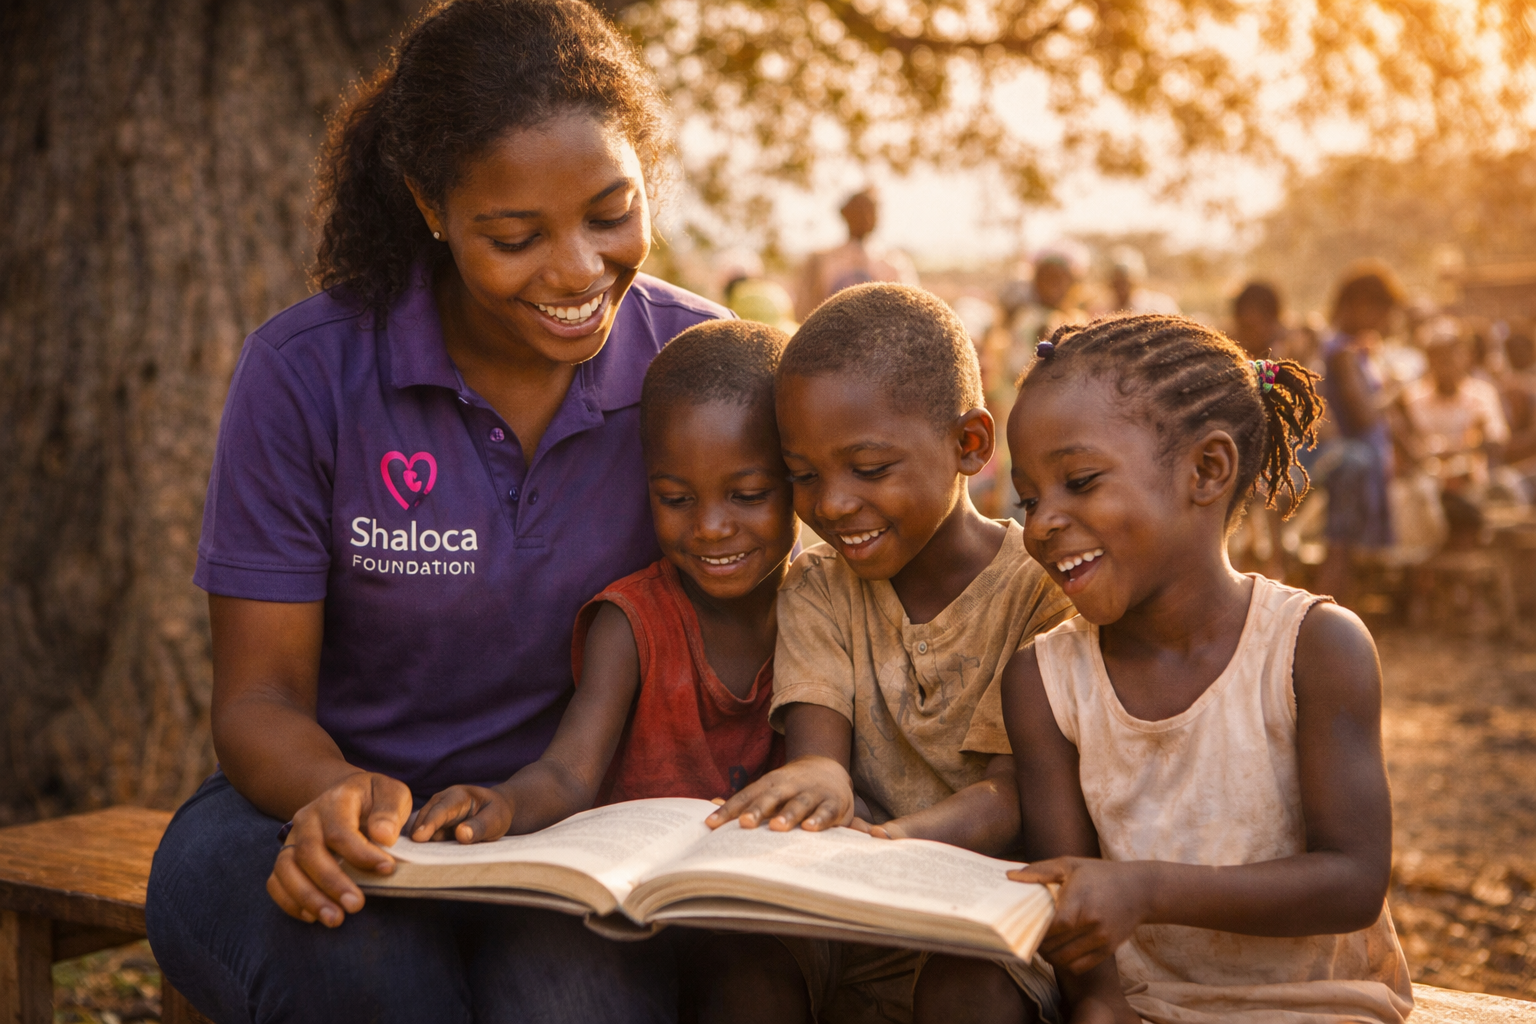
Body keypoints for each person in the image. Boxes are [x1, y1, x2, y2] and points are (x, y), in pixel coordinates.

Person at [144, 3, 729, 1021]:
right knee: (374, 973)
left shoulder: (701, 371)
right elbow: (257, 699)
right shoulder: (308, 372)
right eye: (515, 236)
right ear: (430, 205)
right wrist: (332, 793)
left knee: (576, 1004)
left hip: (564, 835)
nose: (578, 270)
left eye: (611, 213)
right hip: (300, 806)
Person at [1001, 315, 1413, 1024]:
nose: (1040, 524)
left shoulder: (1313, 649)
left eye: (1080, 481)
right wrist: (1099, 1004)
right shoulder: (1046, 683)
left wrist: (1146, 890)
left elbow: (1353, 881)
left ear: (1207, 470)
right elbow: (1081, 939)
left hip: (1315, 1008)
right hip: (1143, 1007)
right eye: (1030, 498)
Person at [405, 319, 801, 1023]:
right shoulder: (634, 622)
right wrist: (503, 803)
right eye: (676, 499)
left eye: (747, 494)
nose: (711, 526)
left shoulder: (823, 613)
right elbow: (568, 773)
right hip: (630, 910)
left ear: (799, 481)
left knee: (759, 988)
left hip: (760, 911)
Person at [708, 283, 1073, 1024]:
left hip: (982, 912)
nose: (832, 504)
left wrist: (890, 844)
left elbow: (1013, 794)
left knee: (967, 991)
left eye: (869, 468)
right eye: (804, 475)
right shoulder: (819, 585)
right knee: (745, 973)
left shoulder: (1038, 591)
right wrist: (815, 782)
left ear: (970, 445)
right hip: (847, 903)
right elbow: (820, 757)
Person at [1311, 260, 1406, 604]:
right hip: (1352, 466)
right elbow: (1363, 416)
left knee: (1346, 551)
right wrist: (1394, 392)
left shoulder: (1353, 350)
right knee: (1340, 548)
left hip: (1360, 464)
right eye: (1381, 312)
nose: (1383, 322)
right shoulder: (1341, 352)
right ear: (1361, 305)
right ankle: (1325, 618)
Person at [986, 242, 1091, 521]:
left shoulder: (1075, 319)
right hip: (1030, 419)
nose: (1053, 286)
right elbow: (1017, 367)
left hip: (1063, 420)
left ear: (1073, 284)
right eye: (1046, 279)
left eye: (1060, 280)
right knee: (1023, 480)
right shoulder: (1029, 321)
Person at [1402, 317, 1510, 544]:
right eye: (1436, 355)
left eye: (1450, 353)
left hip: (1471, 482)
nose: (1444, 361)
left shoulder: (1482, 393)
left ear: (1465, 355)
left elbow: (1497, 440)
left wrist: (1462, 450)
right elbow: (1408, 442)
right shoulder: (1412, 397)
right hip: (1426, 484)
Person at [794, 188, 919, 319]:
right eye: (859, 210)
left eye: (870, 211)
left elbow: (909, 311)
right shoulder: (821, 262)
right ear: (846, 214)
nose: (865, 217)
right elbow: (804, 312)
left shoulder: (894, 263)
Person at [1102, 245, 1179, 315]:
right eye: (1116, 282)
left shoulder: (1161, 305)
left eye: (1125, 281)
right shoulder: (1103, 311)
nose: (1121, 287)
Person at [1229, 280, 1286, 359]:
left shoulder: (1287, 346)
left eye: (1254, 327)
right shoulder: (1229, 347)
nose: (1251, 335)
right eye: (1246, 327)